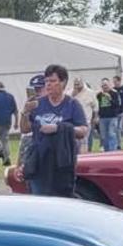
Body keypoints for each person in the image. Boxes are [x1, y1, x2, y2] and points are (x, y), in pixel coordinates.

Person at [21, 64, 88, 198]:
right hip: (39, 161)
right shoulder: (38, 103)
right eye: (46, 81)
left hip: (62, 162)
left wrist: (59, 128)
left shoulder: (72, 104)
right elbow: (25, 129)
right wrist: (25, 113)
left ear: (63, 83)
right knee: (40, 200)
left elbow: (83, 130)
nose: (48, 85)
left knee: (61, 200)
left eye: (52, 81)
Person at [95, 77, 120, 152]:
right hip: (102, 117)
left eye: (106, 85)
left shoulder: (114, 93)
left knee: (111, 133)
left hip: (112, 117)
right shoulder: (99, 95)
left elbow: (117, 105)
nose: (104, 87)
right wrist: (97, 116)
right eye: (103, 85)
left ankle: (112, 150)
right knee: (104, 135)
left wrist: (110, 98)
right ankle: (107, 151)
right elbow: (97, 106)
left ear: (109, 85)